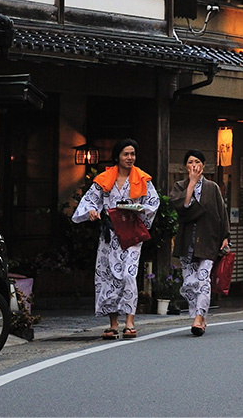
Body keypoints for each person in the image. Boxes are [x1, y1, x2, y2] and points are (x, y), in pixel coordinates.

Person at [73, 139, 160, 340]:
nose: (130, 158)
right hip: (109, 234)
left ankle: (129, 321)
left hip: (130, 232)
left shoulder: (142, 179)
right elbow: (88, 202)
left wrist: (140, 210)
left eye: (133, 154)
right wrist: (92, 212)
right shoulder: (104, 178)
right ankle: (113, 323)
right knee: (108, 276)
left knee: (129, 274)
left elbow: (153, 203)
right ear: (117, 157)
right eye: (126, 154)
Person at [170, 150, 230, 336]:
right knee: (190, 282)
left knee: (203, 279)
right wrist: (192, 184)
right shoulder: (179, 186)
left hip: (208, 240)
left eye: (197, 161)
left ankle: (198, 317)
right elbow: (182, 207)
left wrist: (225, 236)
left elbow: (222, 213)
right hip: (186, 241)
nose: (194, 165)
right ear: (185, 166)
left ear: (203, 165)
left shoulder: (212, 188)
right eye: (190, 162)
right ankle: (200, 316)